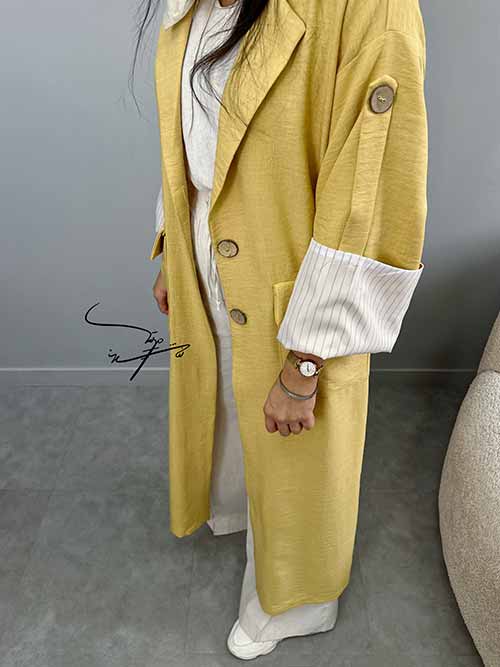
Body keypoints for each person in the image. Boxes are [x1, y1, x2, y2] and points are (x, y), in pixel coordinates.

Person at [138, 0, 428, 659]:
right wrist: (175, 244)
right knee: (226, 408)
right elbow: (191, 124)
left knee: (301, 452)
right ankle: (251, 520)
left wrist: (306, 362)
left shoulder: (371, 10)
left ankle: (298, 600)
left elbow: (370, 192)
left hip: (304, 285)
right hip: (209, 252)